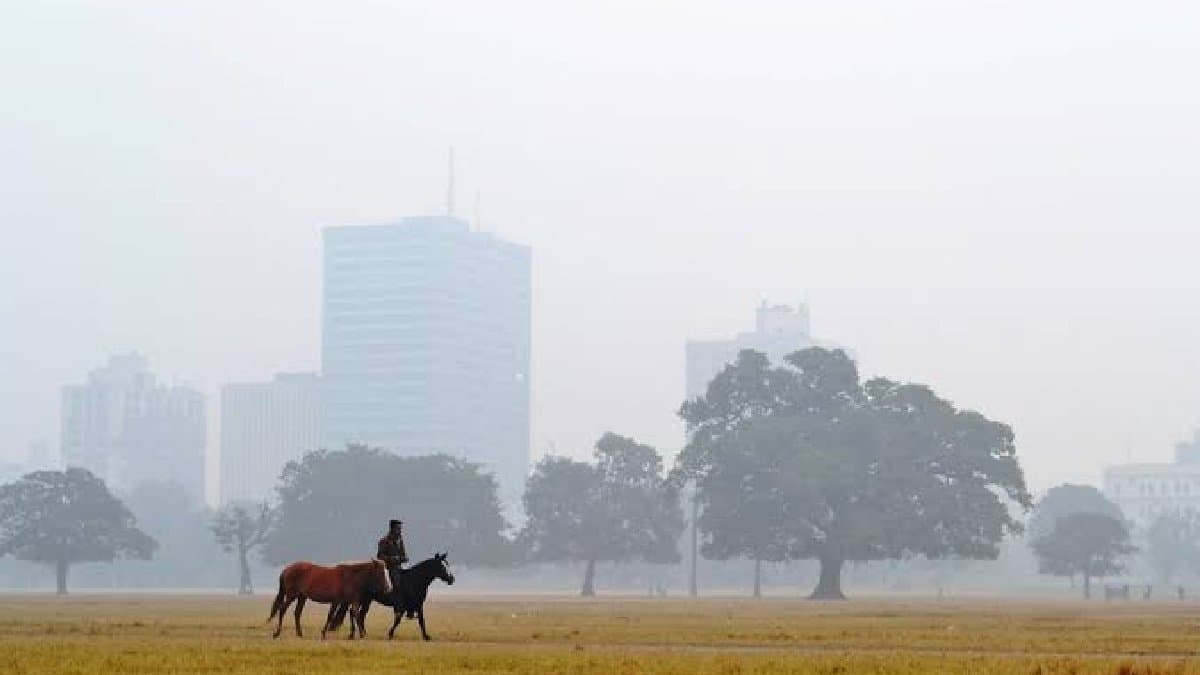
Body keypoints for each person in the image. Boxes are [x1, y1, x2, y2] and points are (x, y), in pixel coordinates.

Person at [376, 519, 415, 617]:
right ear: (392, 529)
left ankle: (410, 608)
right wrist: (394, 559)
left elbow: (403, 554)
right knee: (396, 583)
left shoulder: (400, 540)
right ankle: (397, 608)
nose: (400, 530)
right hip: (388, 568)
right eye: (398, 528)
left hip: (399, 567)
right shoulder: (384, 541)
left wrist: (404, 558)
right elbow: (380, 556)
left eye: (400, 528)